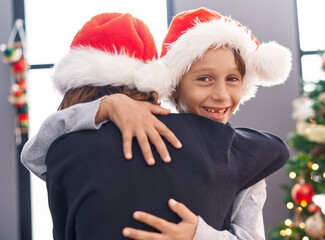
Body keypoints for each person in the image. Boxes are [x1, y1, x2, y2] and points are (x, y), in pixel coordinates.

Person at [21, 8, 291, 240]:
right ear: (173, 86)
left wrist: (199, 234)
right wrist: (106, 106)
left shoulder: (244, 157)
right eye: (204, 79)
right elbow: (35, 154)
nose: (221, 95)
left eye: (233, 79)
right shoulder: (144, 128)